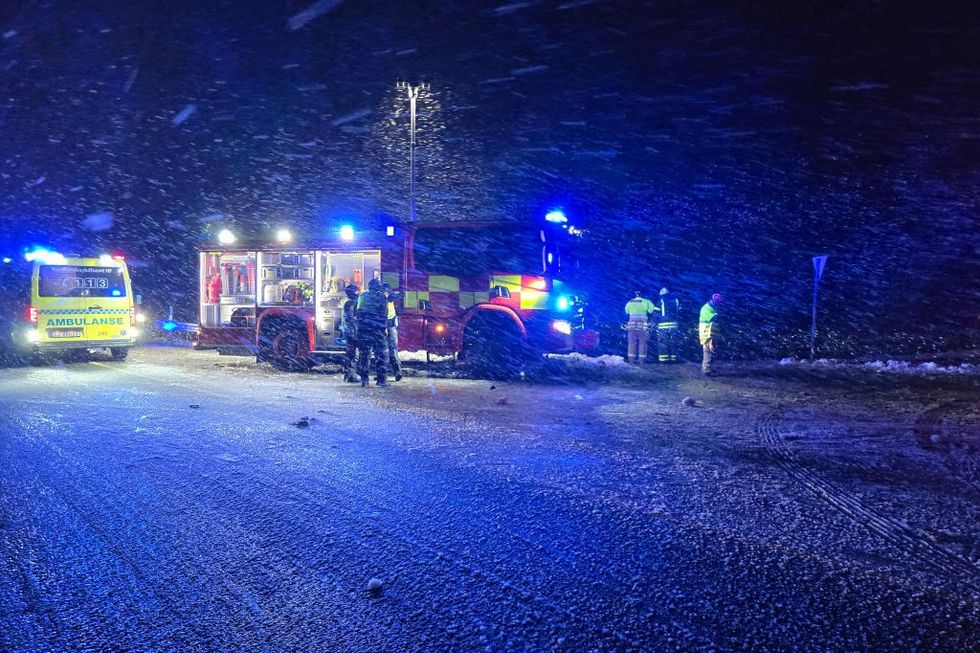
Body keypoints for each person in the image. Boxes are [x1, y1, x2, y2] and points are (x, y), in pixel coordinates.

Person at [356, 278, 389, 387]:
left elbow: (358, 312)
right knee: (380, 355)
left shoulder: (362, 295)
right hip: (376, 330)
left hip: (364, 330)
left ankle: (364, 380)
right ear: (378, 286)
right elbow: (384, 314)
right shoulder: (381, 296)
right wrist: (383, 328)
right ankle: (381, 380)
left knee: (364, 355)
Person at [624, 290, 658, 365]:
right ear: (642, 295)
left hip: (632, 325)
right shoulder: (646, 301)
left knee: (632, 342)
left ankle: (631, 361)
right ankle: (641, 362)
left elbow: (626, 311)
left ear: (635, 295)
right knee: (642, 343)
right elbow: (651, 310)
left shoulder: (630, 302)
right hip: (643, 325)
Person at [381, 282, 403, 382]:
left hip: (388, 327)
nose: (386, 293)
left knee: (390, 350)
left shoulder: (387, 298)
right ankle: (386, 374)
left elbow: (398, 295)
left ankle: (396, 372)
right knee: (388, 351)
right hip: (387, 326)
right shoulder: (385, 298)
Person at [699, 293, 724, 376]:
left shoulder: (712, 308)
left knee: (710, 351)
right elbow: (713, 318)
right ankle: (706, 371)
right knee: (708, 352)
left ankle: (707, 369)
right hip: (706, 334)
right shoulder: (706, 308)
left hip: (710, 334)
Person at [340, 284, 360, 382]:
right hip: (352, 332)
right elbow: (351, 318)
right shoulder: (350, 303)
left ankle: (348, 374)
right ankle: (351, 375)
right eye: (356, 291)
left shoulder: (348, 302)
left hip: (349, 331)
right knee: (353, 354)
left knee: (350, 353)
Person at [657, 286, 681, 363]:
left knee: (663, 342)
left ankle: (664, 360)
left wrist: (654, 325)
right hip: (674, 325)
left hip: (663, 325)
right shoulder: (675, 300)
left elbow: (656, 313)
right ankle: (674, 359)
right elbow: (679, 311)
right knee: (673, 342)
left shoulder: (660, 300)